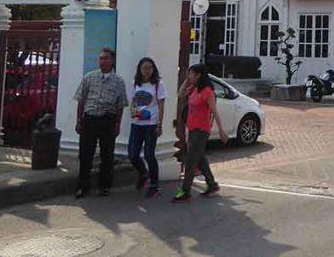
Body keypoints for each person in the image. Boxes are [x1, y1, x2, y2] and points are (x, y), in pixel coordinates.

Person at [74, 48, 127, 198]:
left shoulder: (118, 81)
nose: (103, 61)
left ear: (112, 61)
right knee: (85, 154)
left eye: (106, 58)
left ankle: (104, 186)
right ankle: (83, 186)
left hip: (108, 120)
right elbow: (81, 100)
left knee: (107, 154)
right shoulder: (89, 77)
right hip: (89, 119)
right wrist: (79, 120)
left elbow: (121, 104)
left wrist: (117, 124)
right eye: (101, 58)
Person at [174, 64, 226, 203]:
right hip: (192, 128)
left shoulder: (207, 91)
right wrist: (186, 81)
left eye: (191, 74)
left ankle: (185, 191)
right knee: (200, 158)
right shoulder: (194, 89)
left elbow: (214, 111)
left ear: (198, 75)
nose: (189, 76)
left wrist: (221, 130)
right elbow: (180, 94)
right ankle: (212, 184)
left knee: (190, 161)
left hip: (202, 130)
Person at [127, 57, 167, 198]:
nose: (147, 71)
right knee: (132, 154)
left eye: (150, 67)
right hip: (137, 123)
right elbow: (132, 101)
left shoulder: (157, 84)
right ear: (140, 69)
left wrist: (160, 124)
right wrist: (132, 111)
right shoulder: (135, 83)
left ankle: (154, 185)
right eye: (144, 68)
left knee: (149, 154)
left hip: (151, 124)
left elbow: (161, 105)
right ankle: (143, 173)